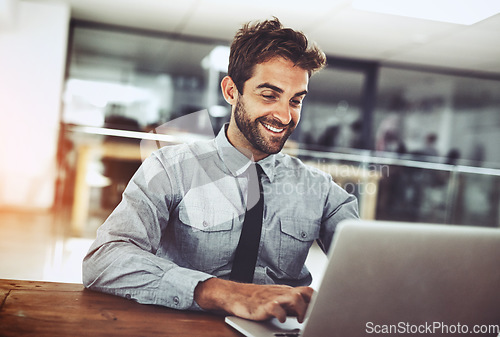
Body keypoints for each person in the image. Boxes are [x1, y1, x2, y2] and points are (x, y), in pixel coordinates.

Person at [83, 18, 359, 324]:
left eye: (295, 100)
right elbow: (103, 260)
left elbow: (371, 274)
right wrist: (224, 293)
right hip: (181, 327)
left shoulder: (321, 192)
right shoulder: (170, 167)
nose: (284, 115)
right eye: (269, 95)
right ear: (231, 91)